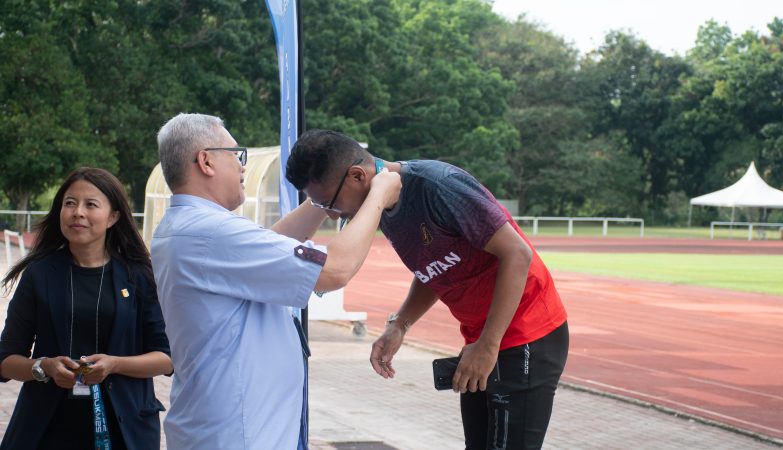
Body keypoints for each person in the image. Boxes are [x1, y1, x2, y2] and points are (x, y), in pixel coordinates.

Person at [286, 129, 569, 450]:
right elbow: (435, 264)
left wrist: (489, 345)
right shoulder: (384, 204)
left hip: (528, 332)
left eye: (329, 203)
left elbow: (518, 254)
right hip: (482, 338)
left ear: (357, 176)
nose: (329, 214)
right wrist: (400, 324)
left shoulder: (439, 187)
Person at [150, 113, 401, 449]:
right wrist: (378, 196)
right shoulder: (211, 232)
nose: (242, 166)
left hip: (225, 428)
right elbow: (334, 269)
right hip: (239, 434)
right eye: (236, 155)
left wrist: (325, 197)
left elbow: (272, 246)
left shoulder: (187, 226)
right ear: (206, 161)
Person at [0, 167, 173, 450]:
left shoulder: (138, 276)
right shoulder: (39, 274)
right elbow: (6, 360)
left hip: (124, 429)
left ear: (113, 217)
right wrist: (43, 367)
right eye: (70, 203)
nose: (78, 212)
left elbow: (166, 358)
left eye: (91, 204)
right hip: (48, 430)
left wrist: (115, 364)